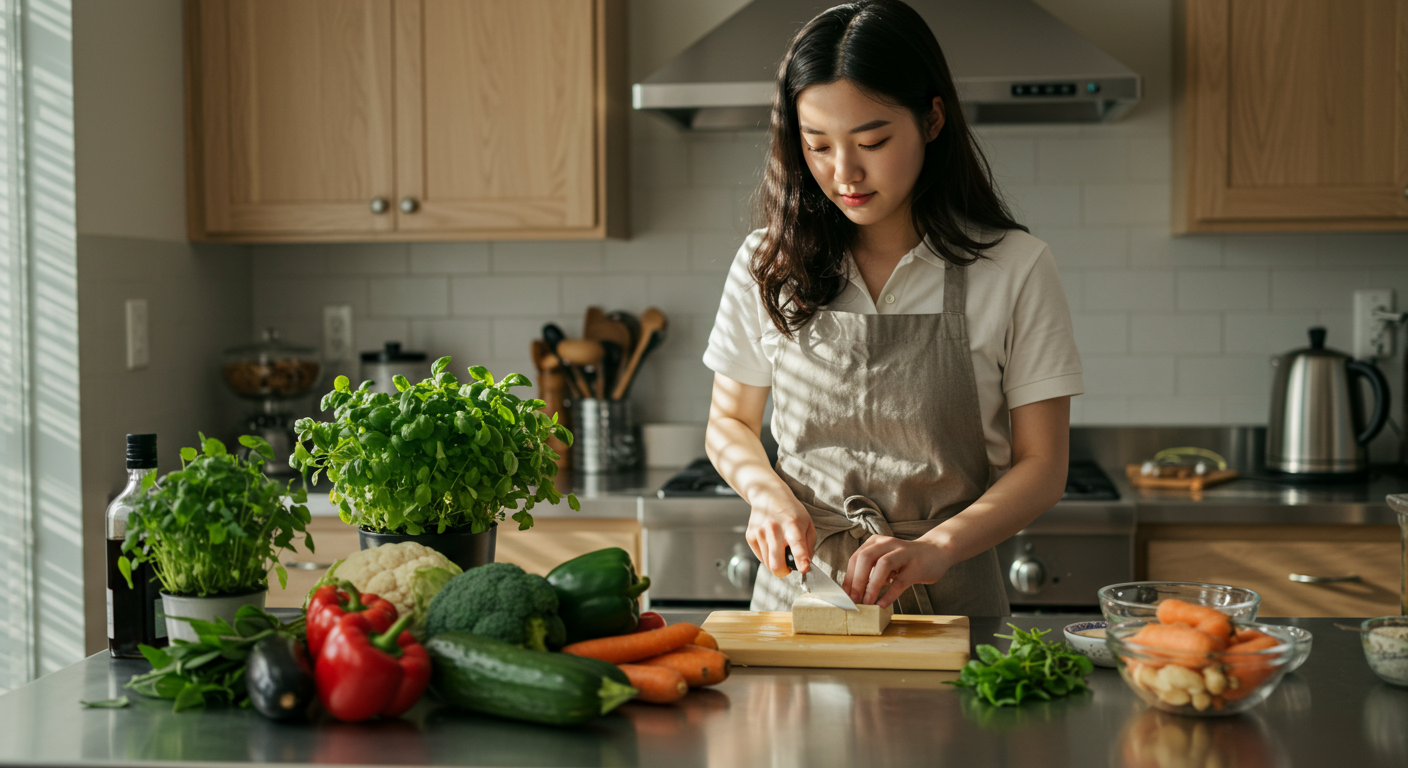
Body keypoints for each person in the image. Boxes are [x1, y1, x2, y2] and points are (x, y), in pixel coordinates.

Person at [702, 0, 1082, 616]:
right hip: (803, 598)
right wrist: (766, 494)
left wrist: (938, 546)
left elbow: (1042, 465)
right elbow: (729, 423)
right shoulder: (768, 263)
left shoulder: (1015, 266)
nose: (844, 172)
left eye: (872, 141)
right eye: (817, 145)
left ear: (932, 120)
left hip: (952, 596)